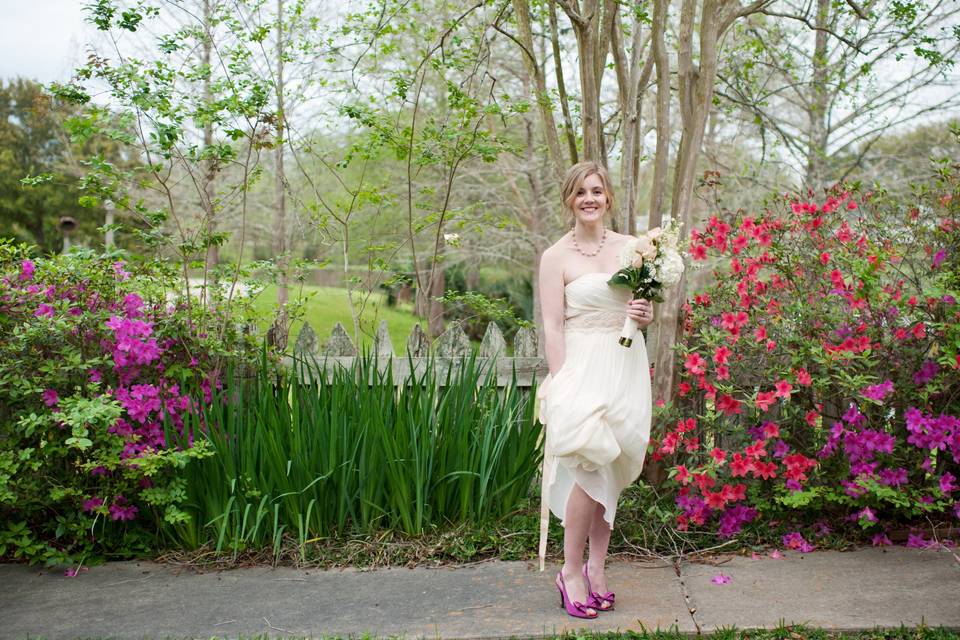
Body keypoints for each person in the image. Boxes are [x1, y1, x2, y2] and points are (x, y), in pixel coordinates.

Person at [536, 161, 653, 619]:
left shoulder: (634, 250)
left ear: (608, 198)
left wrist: (643, 315)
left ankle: (597, 567)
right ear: (569, 199)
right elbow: (551, 323)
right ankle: (569, 571)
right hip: (581, 366)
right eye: (581, 192)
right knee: (588, 460)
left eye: (597, 191)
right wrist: (562, 379)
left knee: (613, 465)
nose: (590, 199)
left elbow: (641, 307)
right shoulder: (555, 257)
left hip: (625, 360)